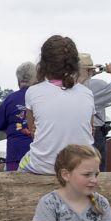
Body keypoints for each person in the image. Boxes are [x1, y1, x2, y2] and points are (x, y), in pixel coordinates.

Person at [19, 35, 94, 176]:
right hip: (82, 167)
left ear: (43, 64)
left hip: (45, 167)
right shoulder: (87, 94)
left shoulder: (33, 92)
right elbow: (90, 131)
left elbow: (33, 132)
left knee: (23, 163)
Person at [79, 55, 111, 171]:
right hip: (95, 132)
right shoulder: (96, 85)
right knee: (97, 170)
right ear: (88, 70)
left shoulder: (69, 85)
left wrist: (90, 74)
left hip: (76, 131)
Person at [0, 63, 37, 175]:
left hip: (14, 152)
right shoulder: (41, 97)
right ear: (35, 78)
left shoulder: (9, 99)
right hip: (37, 153)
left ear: (18, 80)